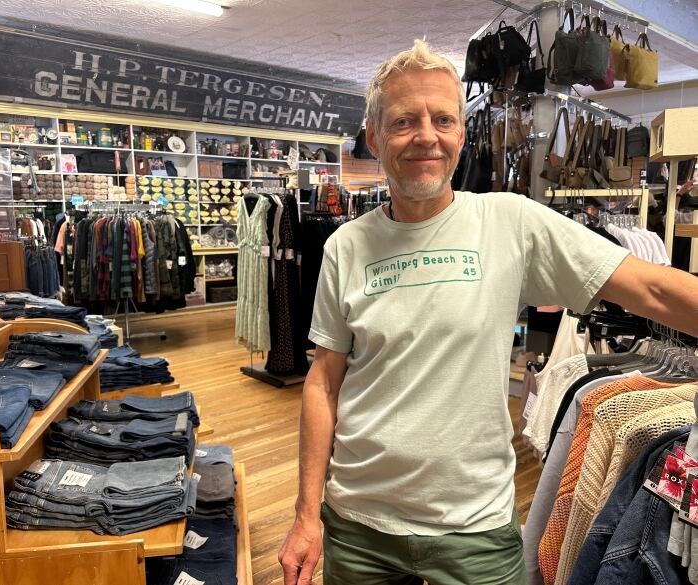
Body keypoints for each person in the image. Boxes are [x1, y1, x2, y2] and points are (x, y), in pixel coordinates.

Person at [278, 40, 698, 585]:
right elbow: (323, 382)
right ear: (375, 136)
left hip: (476, 527)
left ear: (459, 134)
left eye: (443, 119)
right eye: (404, 120)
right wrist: (306, 514)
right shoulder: (345, 246)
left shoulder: (511, 223)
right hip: (360, 526)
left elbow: (652, 289)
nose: (426, 135)